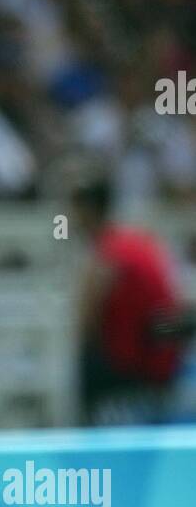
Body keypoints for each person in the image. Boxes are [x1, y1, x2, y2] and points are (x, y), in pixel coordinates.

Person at [72, 175, 186, 424]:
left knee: (79, 362)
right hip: (163, 360)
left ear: (87, 210)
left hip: (141, 366)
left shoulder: (107, 254)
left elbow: (85, 321)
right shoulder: (138, 241)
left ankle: (83, 451)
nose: (68, 219)